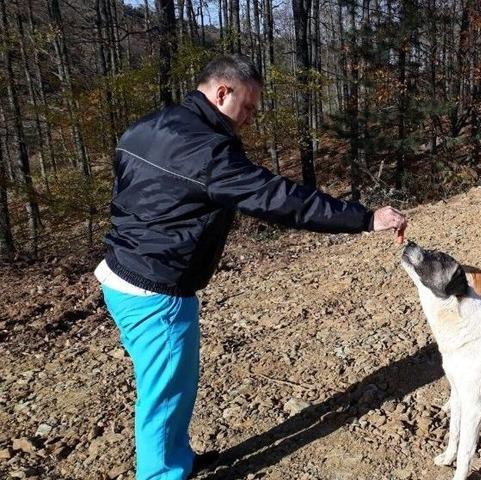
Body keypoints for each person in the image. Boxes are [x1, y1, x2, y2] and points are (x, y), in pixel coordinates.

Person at [94, 54, 407, 480]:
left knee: (165, 388)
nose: (250, 119)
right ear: (222, 93)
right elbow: (279, 199)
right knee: (164, 395)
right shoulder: (208, 152)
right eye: (248, 107)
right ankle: (163, 472)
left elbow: (129, 192)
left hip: (119, 272)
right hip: (157, 291)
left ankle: (176, 458)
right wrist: (364, 218)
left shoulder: (146, 127)